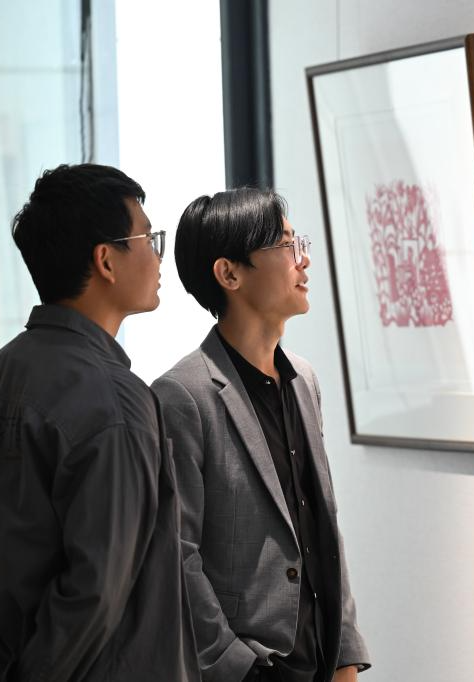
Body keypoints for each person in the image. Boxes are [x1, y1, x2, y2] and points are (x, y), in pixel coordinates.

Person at [0, 164, 199, 682]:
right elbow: (95, 596)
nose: (158, 255)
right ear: (106, 260)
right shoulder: (115, 401)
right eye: (148, 237)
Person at [152, 188, 370, 682]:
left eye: (300, 244)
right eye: (287, 246)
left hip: (321, 662)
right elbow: (176, 558)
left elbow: (322, 525)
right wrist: (240, 668)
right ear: (229, 274)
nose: (303, 260)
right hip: (250, 669)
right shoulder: (182, 396)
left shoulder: (304, 380)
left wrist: (346, 653)